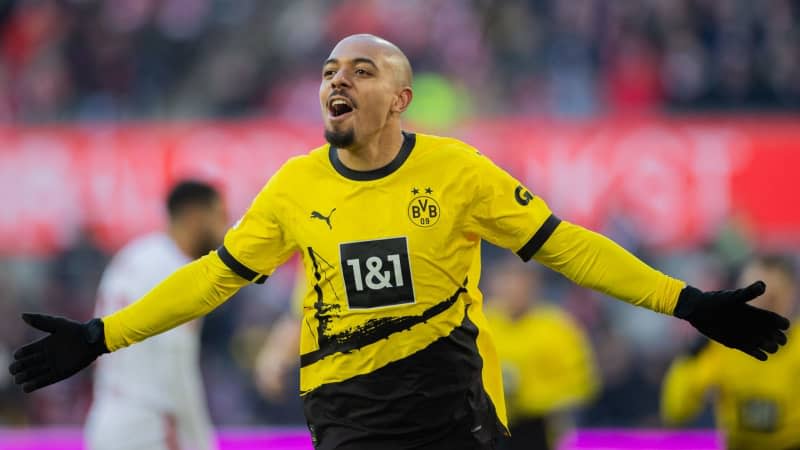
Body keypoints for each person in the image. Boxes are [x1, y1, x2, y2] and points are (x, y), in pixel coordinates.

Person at [8, 34, 790, 450]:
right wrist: (102, 335)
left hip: (455, 412)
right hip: (347, 417)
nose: (336, 80)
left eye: (360, 69)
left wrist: (686, 301)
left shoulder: (459, 173)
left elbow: (571, 247)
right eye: (327, 70)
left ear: (400, 99)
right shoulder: (294, 187)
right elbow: (211, 280)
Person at [84, 181, 227, 450]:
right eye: (219, 216)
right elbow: (175, 368)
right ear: (195, 217)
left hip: (107, 417)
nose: (225, 230)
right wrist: (200, 440)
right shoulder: (177, 274)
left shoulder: (132, 257)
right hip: (151, 428)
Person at [661, 254, 800, 450]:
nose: (763, 307)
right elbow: (676, 411)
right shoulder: (721, 345)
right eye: (754, 297)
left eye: (773, 298)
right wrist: (690, 358)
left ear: (791, 295)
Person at [484, 257, 598, 450]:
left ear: (535, 285)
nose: (515, 289)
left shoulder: (558, 327)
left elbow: (580, 385)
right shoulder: (482, 323)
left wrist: (528, 397)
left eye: (522, 281)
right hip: (489, 422)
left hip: (541, 425)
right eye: (508, 281)